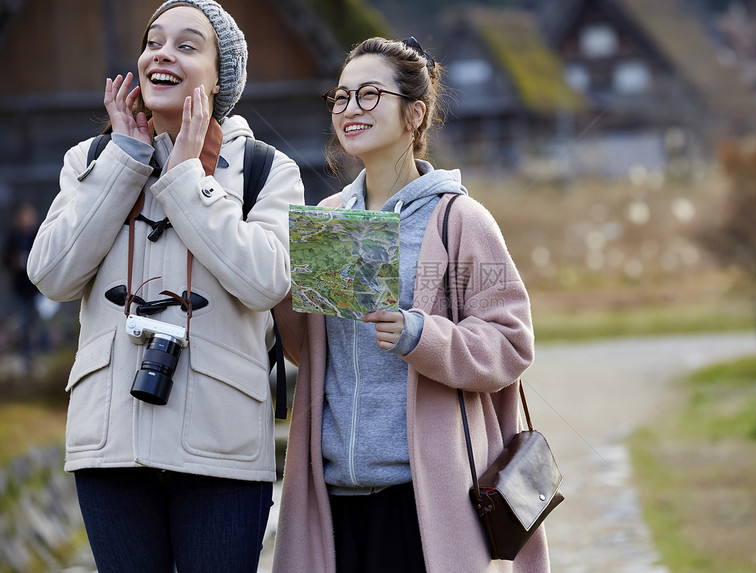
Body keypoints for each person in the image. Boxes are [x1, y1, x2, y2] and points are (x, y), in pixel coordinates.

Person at [26, 1, 303, 571]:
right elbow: (51, 274)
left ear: (221, 77)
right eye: (154, 41)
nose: (162, 54)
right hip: (111, 439)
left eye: (186, 44)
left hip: (221, 447)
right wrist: (125, 161)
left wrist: (185, 179)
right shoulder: (90, 160)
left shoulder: (265, 169)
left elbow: (265, 282)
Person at [271, 37, 550, 572]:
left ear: (415, 113)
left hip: (423, 496)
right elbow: (312, 357)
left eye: (370, 94)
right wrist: (281, 295)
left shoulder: (459, 220)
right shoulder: (330, 218)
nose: (351, 109)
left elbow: (510, 344)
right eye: (341, 97)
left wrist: (420, 335)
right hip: (335, 493)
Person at [3, 202, 44, 371]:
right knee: (24, 322)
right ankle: (26, 357)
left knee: (39, 323)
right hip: (21, 288)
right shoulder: (14, 237)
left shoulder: (39, 234)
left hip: (39, 289)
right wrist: (16, 262)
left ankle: (41, 353)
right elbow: (6, 260)